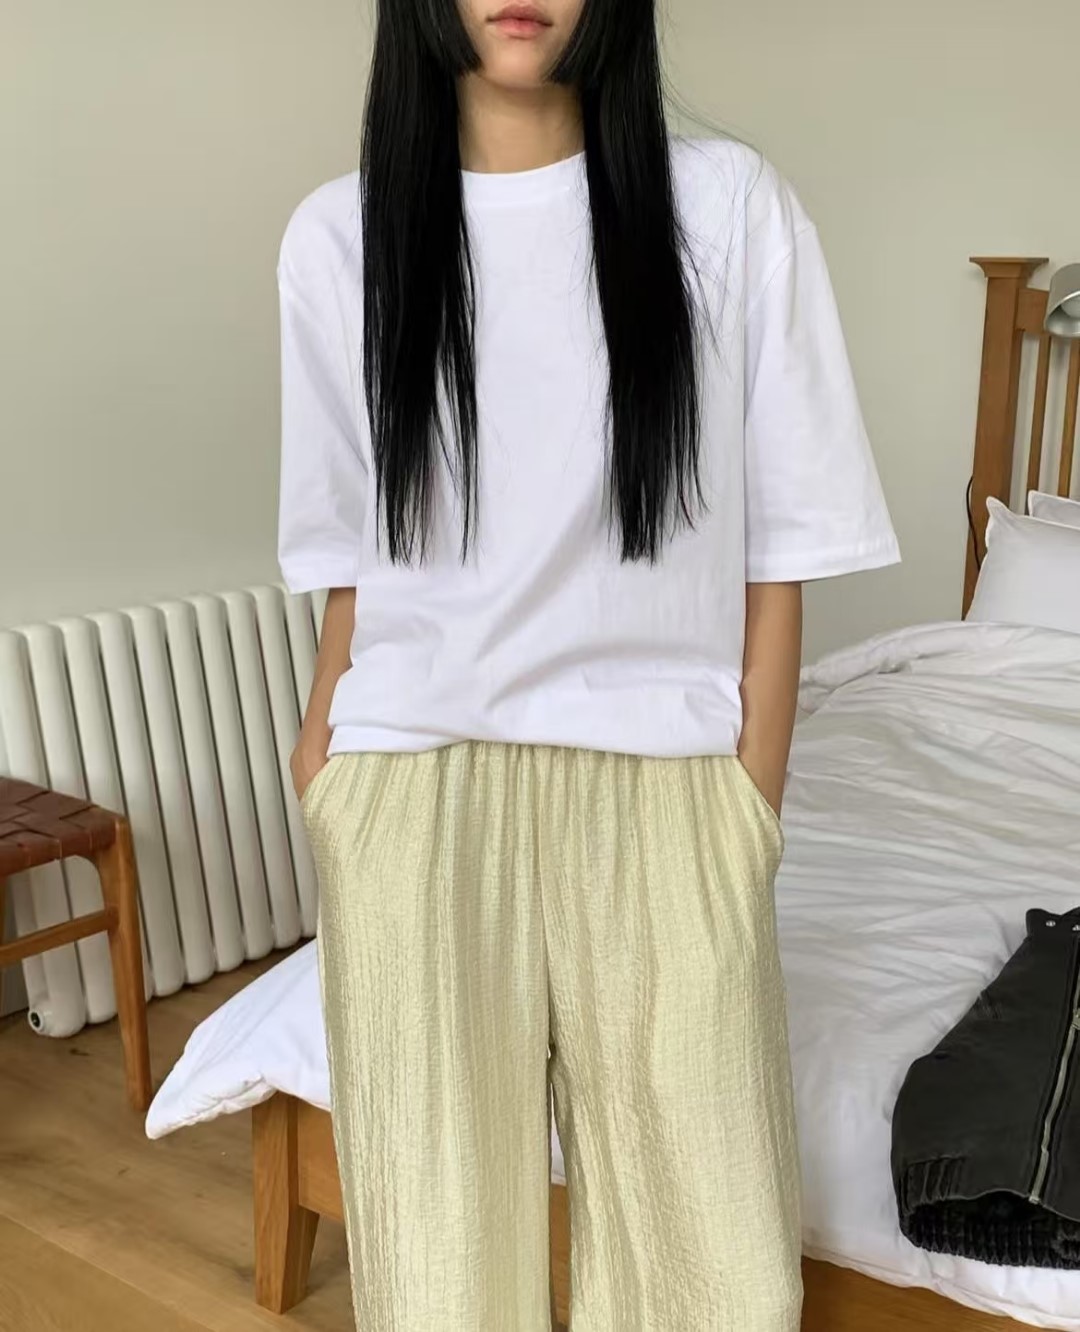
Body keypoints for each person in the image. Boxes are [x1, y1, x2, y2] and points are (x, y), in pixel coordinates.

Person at [277, 0, 900, 1327]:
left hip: (671, 793)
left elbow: (780, 547)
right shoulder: (340, 237)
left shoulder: (729, 209)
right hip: (413, 791)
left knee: (719, 1274)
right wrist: (326, 758)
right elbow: (351, 555)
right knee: (438, 1278)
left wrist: (749, 798)